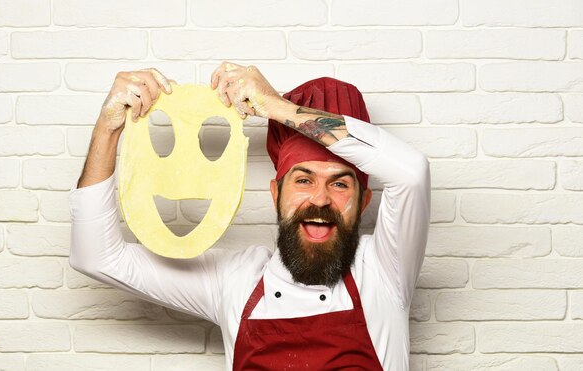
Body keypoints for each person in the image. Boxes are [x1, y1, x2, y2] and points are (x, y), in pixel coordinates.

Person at [69, 62, 430, 370]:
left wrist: (278, 108)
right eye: (303, 180)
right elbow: (98, 257)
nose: (320, 199)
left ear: (365, 200)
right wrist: (109, 127)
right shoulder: (234, 281)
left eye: (340, 184)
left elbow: (411, 172)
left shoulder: (384, 270)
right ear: (276, 194)